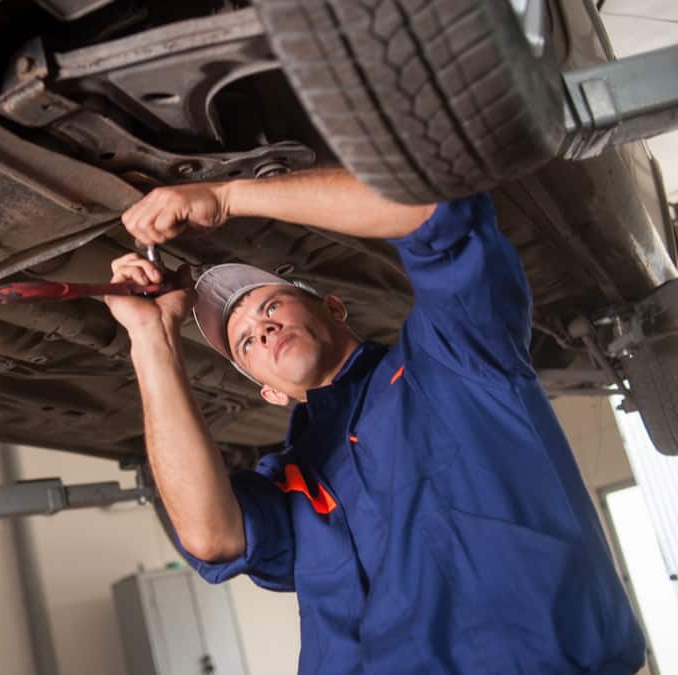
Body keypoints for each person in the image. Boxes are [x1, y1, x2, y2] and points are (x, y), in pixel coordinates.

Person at [106, 168, 645, 674]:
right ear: (269, 393)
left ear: (333, 308)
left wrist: (227, 197)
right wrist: (151, 339)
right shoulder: (291, 485)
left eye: (270, 307)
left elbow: (432, 211)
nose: (263, 330)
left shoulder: (451, 356)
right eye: (246, 341)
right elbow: (210, 537)